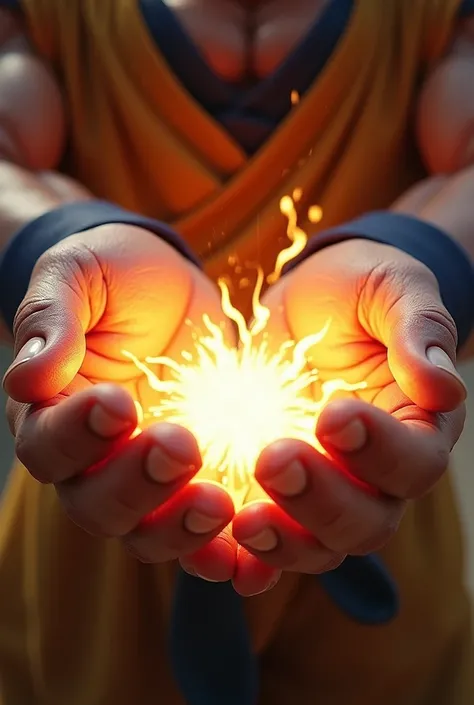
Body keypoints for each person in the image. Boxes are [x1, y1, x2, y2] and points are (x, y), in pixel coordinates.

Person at [0, 0, 473, 703]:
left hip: (376, 492)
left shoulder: (429, 17)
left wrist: (417, 262)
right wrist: (59, 242)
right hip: (92, 560)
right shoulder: (54, 16)